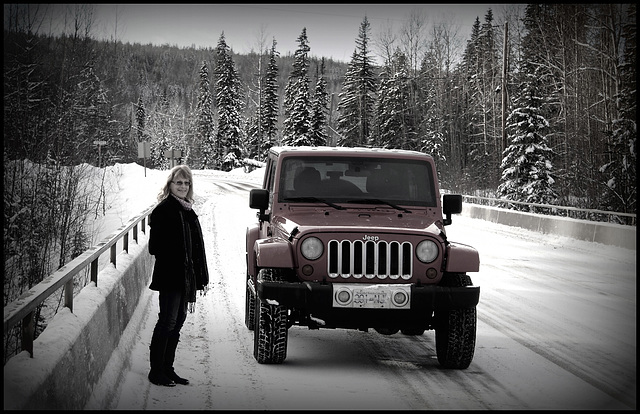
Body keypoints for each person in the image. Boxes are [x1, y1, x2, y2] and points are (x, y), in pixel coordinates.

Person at [147, 164, 209, 387]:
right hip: (171, 275)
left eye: (186, 183)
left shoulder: (187, 209)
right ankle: (156, 371)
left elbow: (196, 247)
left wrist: (198, 274)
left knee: (178, 321)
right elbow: (154, 247)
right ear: (170, 185)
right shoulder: (163, 210)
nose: (183, 186)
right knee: (167, 321)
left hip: (186, 277)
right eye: (179, 182)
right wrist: (176, 253)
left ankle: (167, 368)